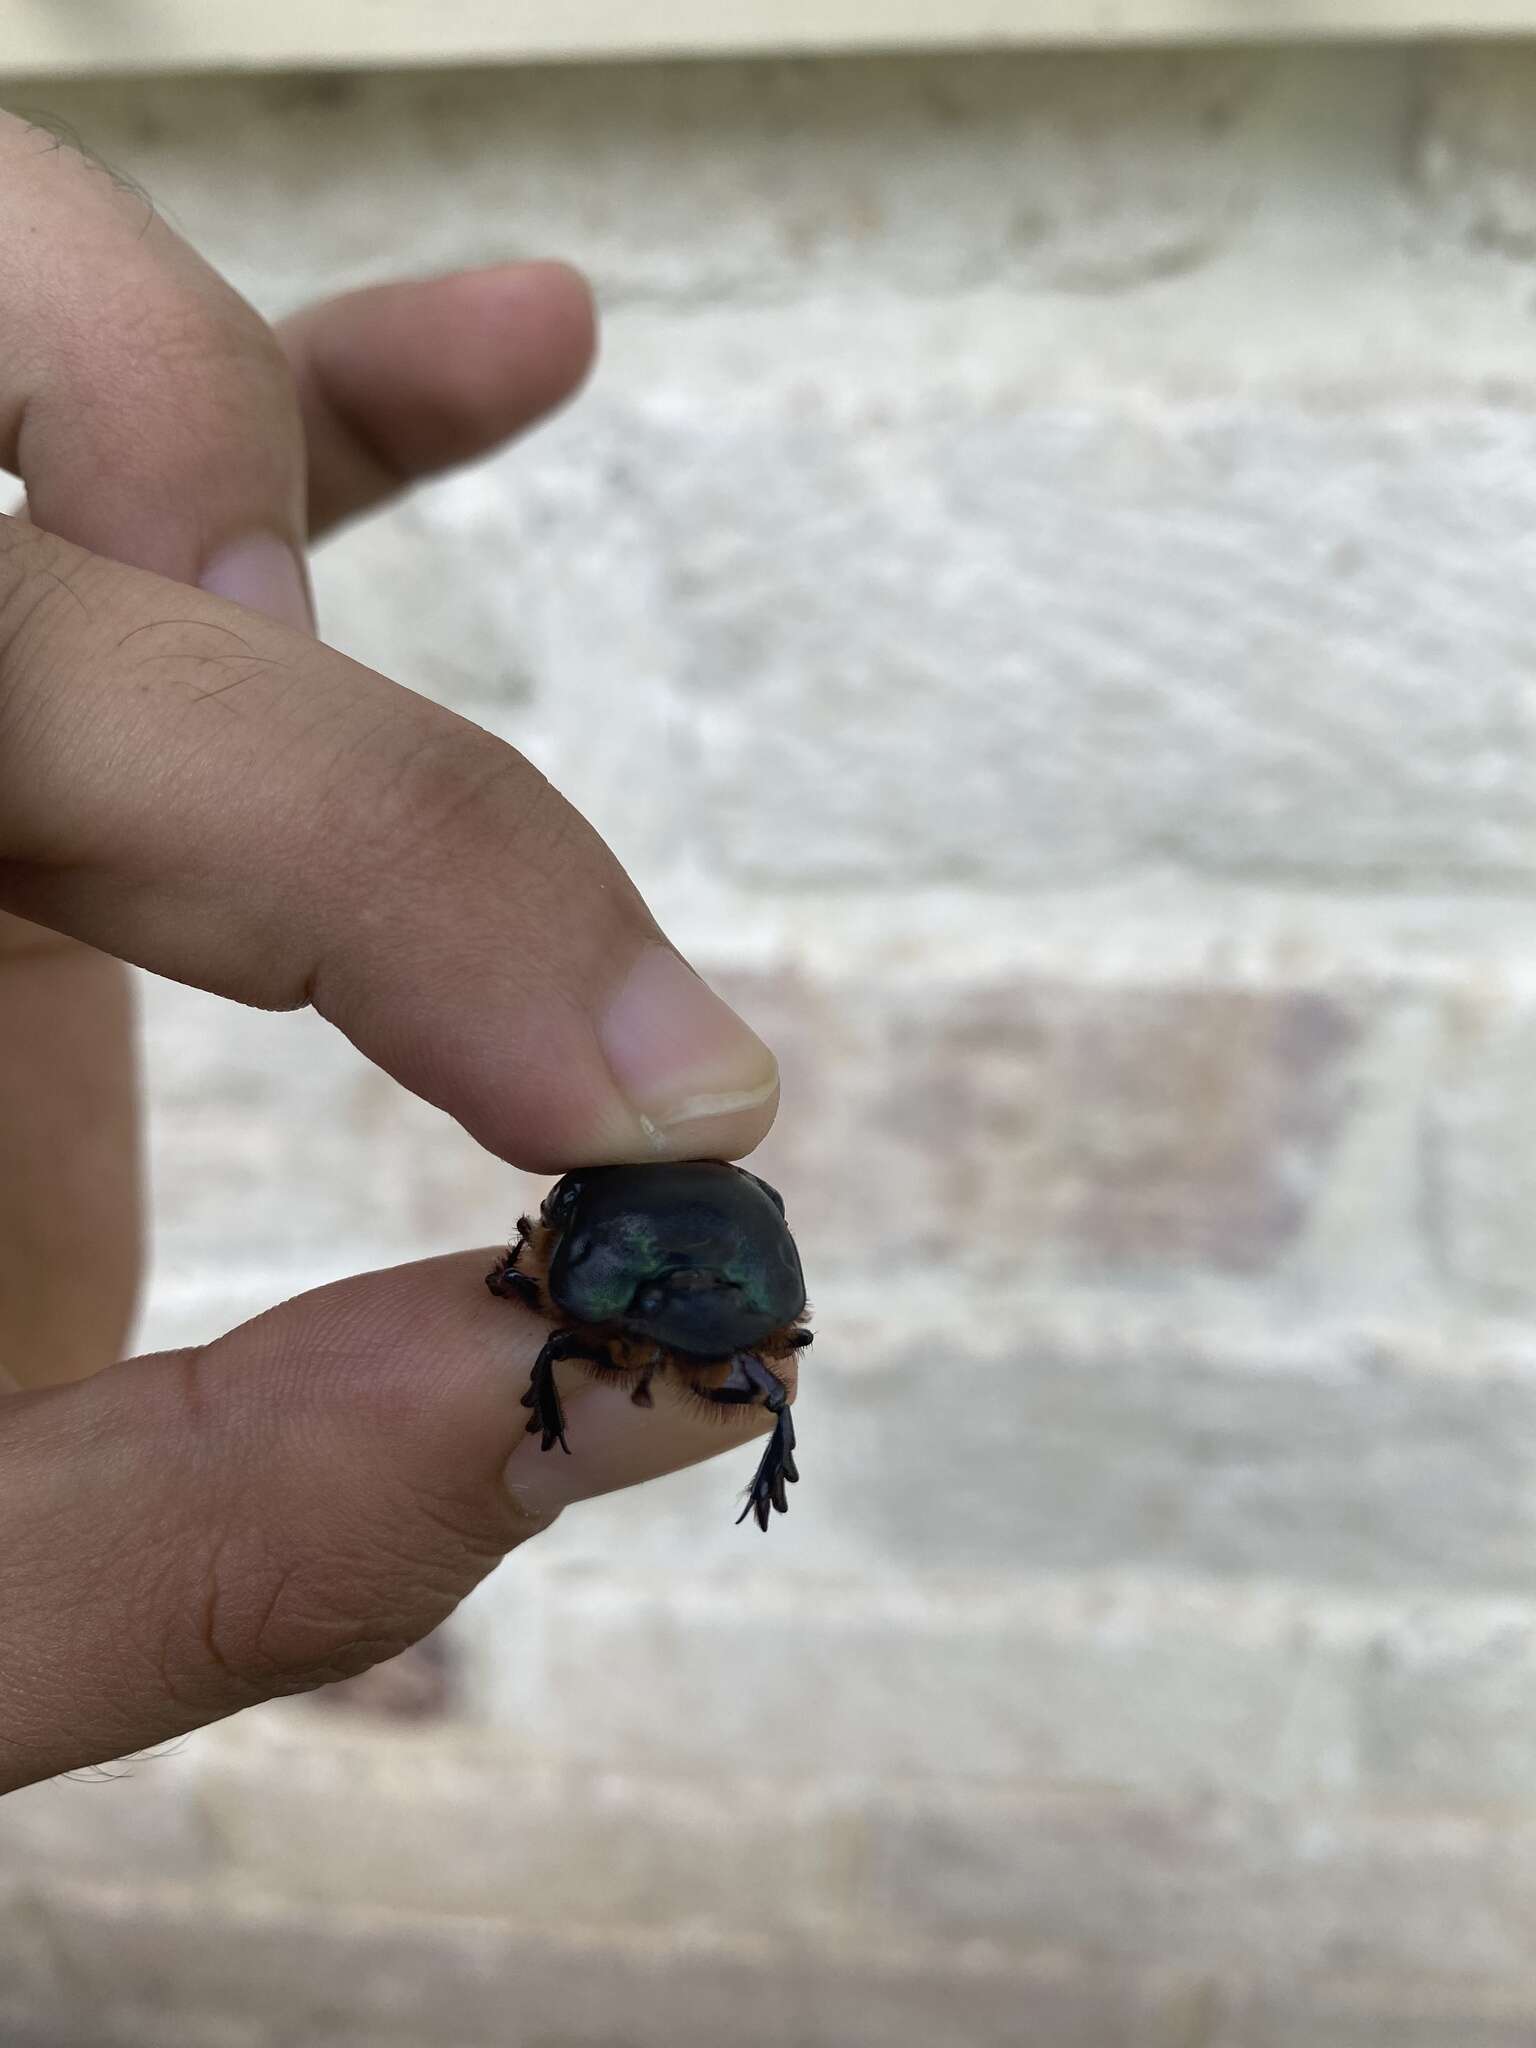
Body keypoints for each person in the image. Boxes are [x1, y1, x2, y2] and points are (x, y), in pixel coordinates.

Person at [0, 113, 784, 1794]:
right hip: (666, 1260)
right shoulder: (669, 1292)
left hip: (650, 1261)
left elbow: (580, 1294)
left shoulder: (619, 1288)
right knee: (637, 1353)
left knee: (600, 1343)